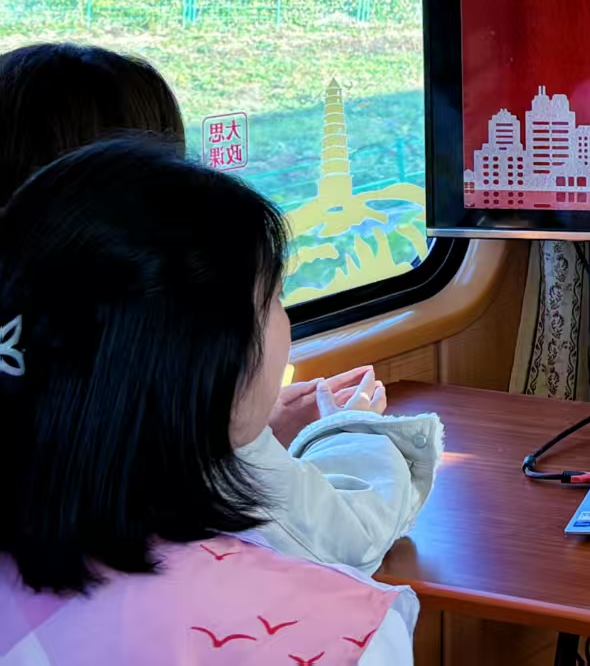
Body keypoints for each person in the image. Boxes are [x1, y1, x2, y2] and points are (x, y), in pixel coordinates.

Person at [0, 42, 438, 576]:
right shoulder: (161, 362)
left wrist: (248, 426)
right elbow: (349, 534)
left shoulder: (34, 372)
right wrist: (348, 432)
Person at [0, 141, 417, 663]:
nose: (284, 321)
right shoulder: (343, 635)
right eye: (275, 298)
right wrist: (351, 430)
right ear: (207, 364)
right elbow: (351, 534)